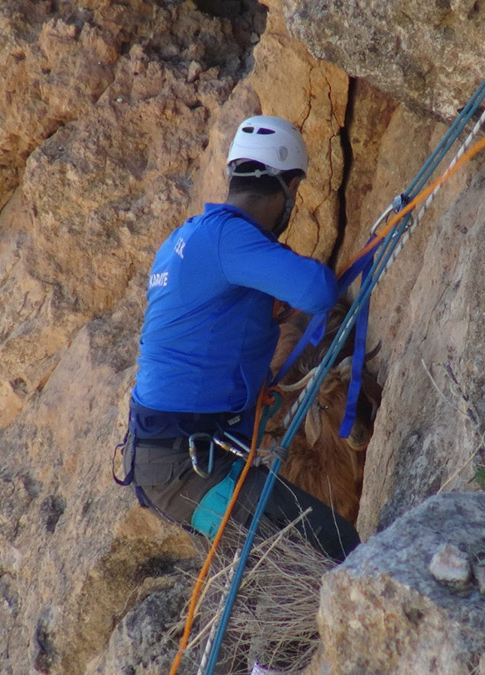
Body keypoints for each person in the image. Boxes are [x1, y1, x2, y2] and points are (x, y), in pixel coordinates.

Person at [116, 115, 360, 562]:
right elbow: (318, 290)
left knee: (293, 561)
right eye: (295, 191)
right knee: (339, 549)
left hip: (168, 460)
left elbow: (209, 335)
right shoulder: (231, 237)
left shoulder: (184, 239)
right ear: (287, 187)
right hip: (189, 468)